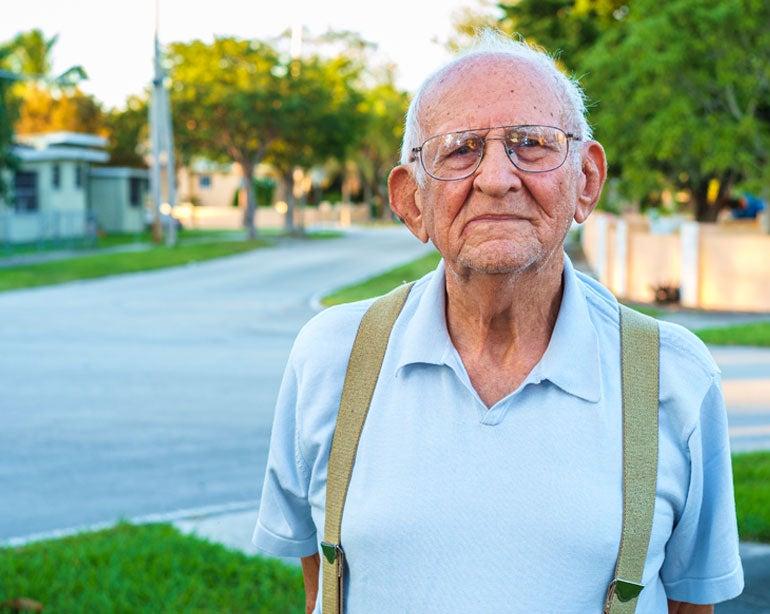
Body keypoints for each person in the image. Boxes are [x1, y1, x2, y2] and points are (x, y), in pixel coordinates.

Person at [253, 31, 744, 613]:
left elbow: (693, 604)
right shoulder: (331, 357)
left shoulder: (675, 377)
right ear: (411, 200)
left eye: (531, 143)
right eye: (459, 149)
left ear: (585, 180)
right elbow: (321, 584)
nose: (496, 178)